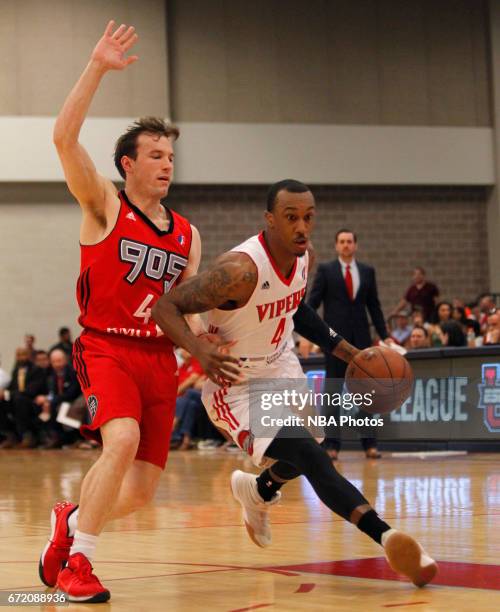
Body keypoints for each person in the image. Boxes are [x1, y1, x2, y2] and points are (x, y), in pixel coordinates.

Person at [152, 178, 438, 589]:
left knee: (309, 448)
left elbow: (297, 310)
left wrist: (349, 352)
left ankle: (259, 491)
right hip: (237, 381)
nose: (301, 227)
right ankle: (388, 536)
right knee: (313, 457)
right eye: (290, 218)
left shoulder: (304, 259)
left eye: (308, 217)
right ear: (270, 220)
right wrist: (199, 348)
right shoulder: (239, 272)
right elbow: (167, 306)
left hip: (280, 365)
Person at [38, 21, 202, 603]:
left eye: (170, 156)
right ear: (127, 164)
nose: (166, 164)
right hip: (106, 345)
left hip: (160, 358)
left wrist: (209, 345)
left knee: (139, 491)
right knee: (122, 438)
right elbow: (62, 138)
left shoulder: (188, 234)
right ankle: (79, 565)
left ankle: (72, 519)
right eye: (154, 155)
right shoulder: (104, 203)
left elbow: (187, 313)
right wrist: (98, 68)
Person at [299, 229, 391, 460]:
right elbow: (313, 303)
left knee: (367, 394)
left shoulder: (367, 271)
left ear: (355, 245)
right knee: (333, 393)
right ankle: (332, 445)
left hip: (362, 340)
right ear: (336, 246)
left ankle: (370, 443)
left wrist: (384, 335)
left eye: (350, 242)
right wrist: (307, 336)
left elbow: (375, 306)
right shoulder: (326, 270)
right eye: (342, 242)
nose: (346, 245)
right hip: (335, 342)